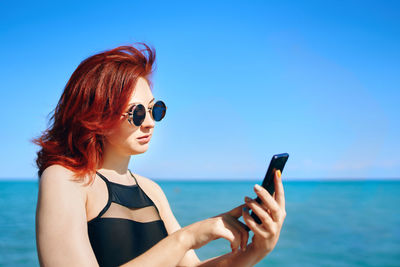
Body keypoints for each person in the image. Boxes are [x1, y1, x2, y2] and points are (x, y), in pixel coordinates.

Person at [33, 43, 287, 267]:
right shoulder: (64, 179)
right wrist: (186, 238)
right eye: (137, 113)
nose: (150, 123)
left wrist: (257, 249)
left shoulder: (151, 190)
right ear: (97, 115)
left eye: (154, 110)